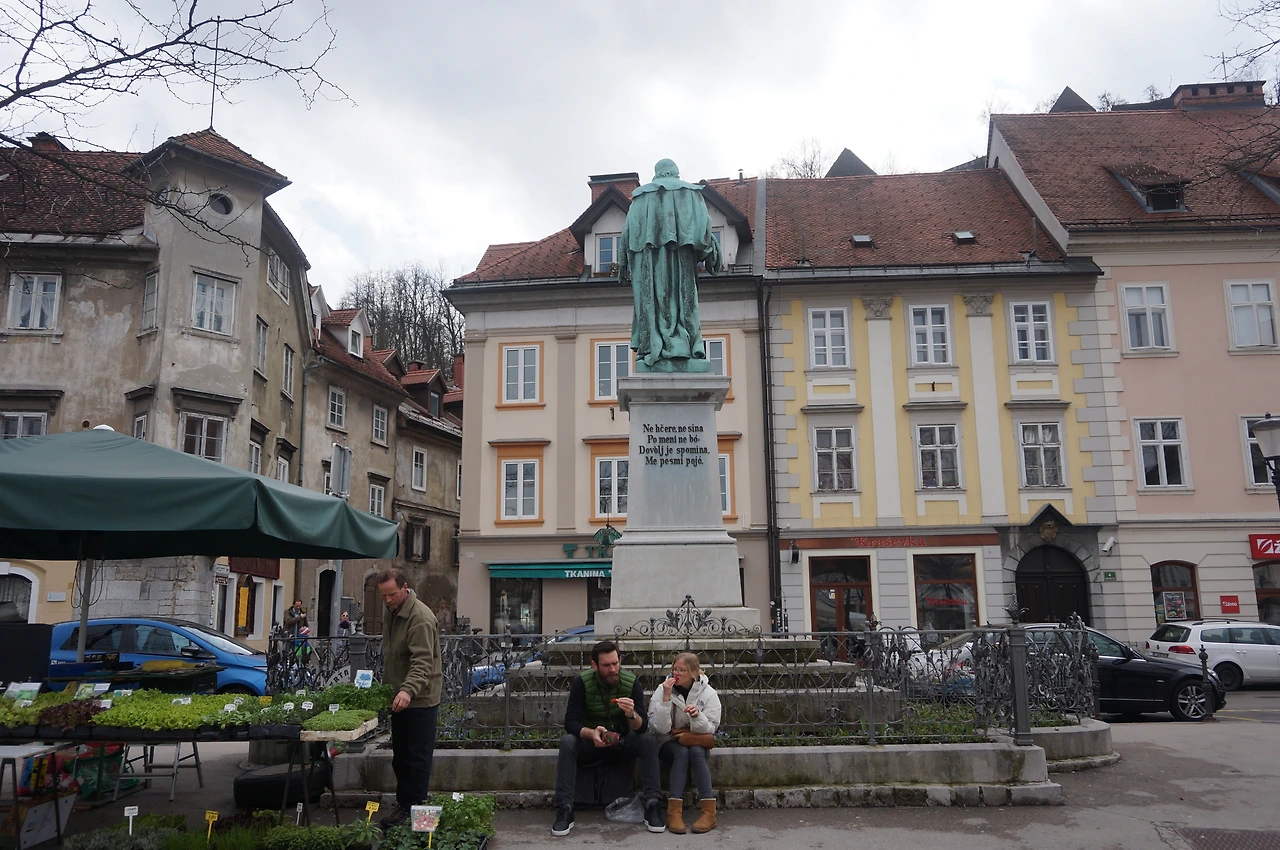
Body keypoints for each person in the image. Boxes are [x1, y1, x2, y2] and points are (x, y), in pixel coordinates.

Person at [551, 640, 665, 836]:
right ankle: (564, 808)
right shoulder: (582, 682)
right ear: (594, 665)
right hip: (591, 743)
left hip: (620, 744)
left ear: (620, 660)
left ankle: (653, 804)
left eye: (615, 663)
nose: (612, 669)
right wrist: (591, 733)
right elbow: (570, 723)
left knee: (646, 741)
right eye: (606, 665)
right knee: (568, 742)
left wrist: (631, 715)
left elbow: (642, 727)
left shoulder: (631, 683)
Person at [621, 158, 722, 372]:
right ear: (675, 173)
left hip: (649, 268)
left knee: (654, 300)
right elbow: (703, 236)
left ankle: (655, 344)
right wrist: (711, 251)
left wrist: (623, 266)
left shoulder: (639, 200)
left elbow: (626, 239)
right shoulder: (691, 194)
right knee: (684, 301)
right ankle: (687, 345)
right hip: (682, 264)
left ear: (656, 174)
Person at [377, 569, 442, 828]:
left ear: (405, 587)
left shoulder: (420, 618)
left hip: (420, 698)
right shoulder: (392, 611)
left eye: (392, 594)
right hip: (400, 697)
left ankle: (418, 818)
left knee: (417, 760)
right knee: (401, 757)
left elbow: (423, 662)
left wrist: (407, 689)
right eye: (384, 595)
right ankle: (405, 806)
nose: (387, 600)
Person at [648, 652, 722, 834]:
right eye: (674, 669)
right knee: (681, 753)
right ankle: (674, 812)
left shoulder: (708, 693)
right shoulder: (662, 689)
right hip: (668, 741)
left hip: (696, 739)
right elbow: (659, 728)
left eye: (682, 670)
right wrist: (666, 699)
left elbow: (711, 727)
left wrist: (697, 716)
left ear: (694, 673)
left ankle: (709, 813)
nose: (676, 674)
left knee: (696, 752)